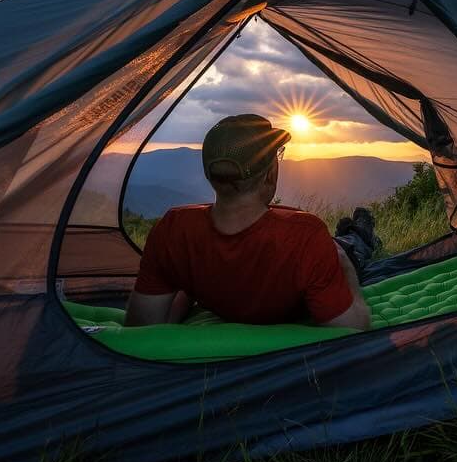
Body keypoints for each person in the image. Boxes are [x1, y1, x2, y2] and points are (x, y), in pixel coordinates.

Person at [124, 113, 379, 330]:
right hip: (328, 257)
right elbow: (354, 327)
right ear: (270, 174)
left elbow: (141, 327)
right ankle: (360, 231)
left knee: (345, 240)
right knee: (351, 247)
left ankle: (356, 229)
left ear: (209, 174)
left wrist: (192, 282)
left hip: (309, 255)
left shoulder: (173, 230)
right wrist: (344, 267)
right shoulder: (305, 236)